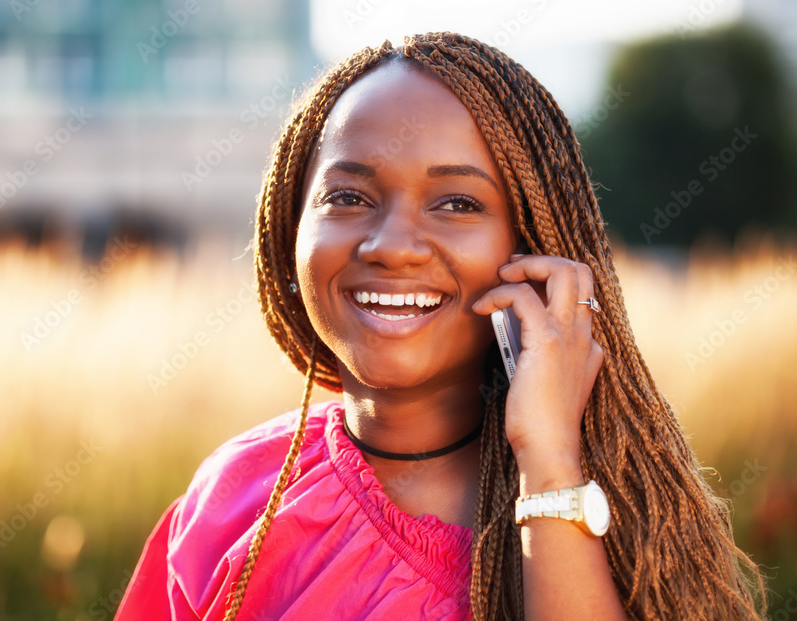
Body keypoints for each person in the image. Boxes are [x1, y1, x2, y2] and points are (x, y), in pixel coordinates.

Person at [116, 33, 765, 620]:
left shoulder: (615, 505)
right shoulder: (232, 495)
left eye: (457, 202)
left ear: (531, 249)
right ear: (289, 231)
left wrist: (548, 459)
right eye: (349, 196)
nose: (393, 245)